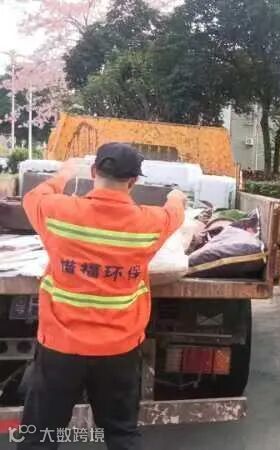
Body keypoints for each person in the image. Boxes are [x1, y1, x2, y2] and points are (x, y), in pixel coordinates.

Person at [18, 143, 186, 450]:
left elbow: (33, 196)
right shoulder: (150, 224)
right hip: (119, 348)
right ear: (133, 181)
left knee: (39, 437)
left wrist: (63, 174)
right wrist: (176, 196)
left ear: (94, 172)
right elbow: (174, 213)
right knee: (121, 434)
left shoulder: (57, 212)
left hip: (60, 346)